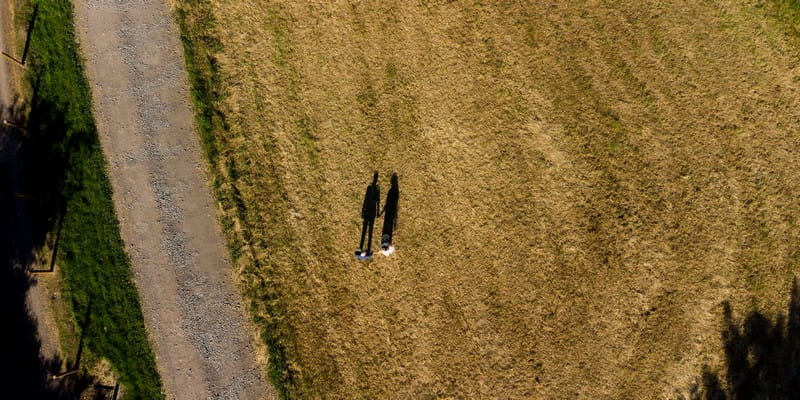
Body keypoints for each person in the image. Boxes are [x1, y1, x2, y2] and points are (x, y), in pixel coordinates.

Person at [356, 171, 380, 259]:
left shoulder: (371, 188)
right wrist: (376, 212)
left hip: (369, 212)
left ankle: (365, 247)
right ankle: (365, 247)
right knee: (367, 231)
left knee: (367, 231)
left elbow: (371, 201)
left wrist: (376, 212)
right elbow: (374, 201)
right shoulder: (372, 189)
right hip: (370, 212)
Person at [380, 173, 399, 252]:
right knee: (388, 226)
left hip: (390, 211)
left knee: (388, 225)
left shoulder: (392, 192)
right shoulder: (394, 192)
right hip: (390, 211)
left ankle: (386, 241)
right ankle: (386, 241)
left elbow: (389, 202)